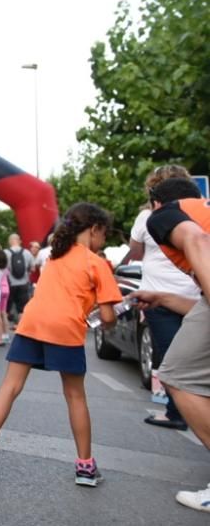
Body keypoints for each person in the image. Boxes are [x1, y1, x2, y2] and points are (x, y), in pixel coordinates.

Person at [0, 203, 121, 487]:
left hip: (32, 322)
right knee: (75, 396)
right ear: (94, 230)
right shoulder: (97, 263)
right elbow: (107, 317)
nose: (104, 241)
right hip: (66, 328)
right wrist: (109, 318)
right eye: (104, 234)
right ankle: (85, 467)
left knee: (10, 387)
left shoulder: (54, 258)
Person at [134, 176, 210, 513]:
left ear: (155, 202)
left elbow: (194, 238)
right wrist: (163, 296)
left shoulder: (165, 214)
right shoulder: (203, 210)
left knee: (177, 375)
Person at [122, 167, 199, 431]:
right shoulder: (199, 211)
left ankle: (176, 413)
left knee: (171, 360)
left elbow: (135, 252)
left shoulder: (149, 217)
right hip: (196, 295)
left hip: (158, 294)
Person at [5, 233, 35, 321]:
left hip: (10, 284)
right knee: (22, 308)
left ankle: (6, 330)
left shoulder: (5, 253)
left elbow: (2, 269)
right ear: (19, 241)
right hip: (24, 283)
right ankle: (20, 326)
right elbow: (33, 269)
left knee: (7, 307)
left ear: (10, 241)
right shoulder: (27, 252)